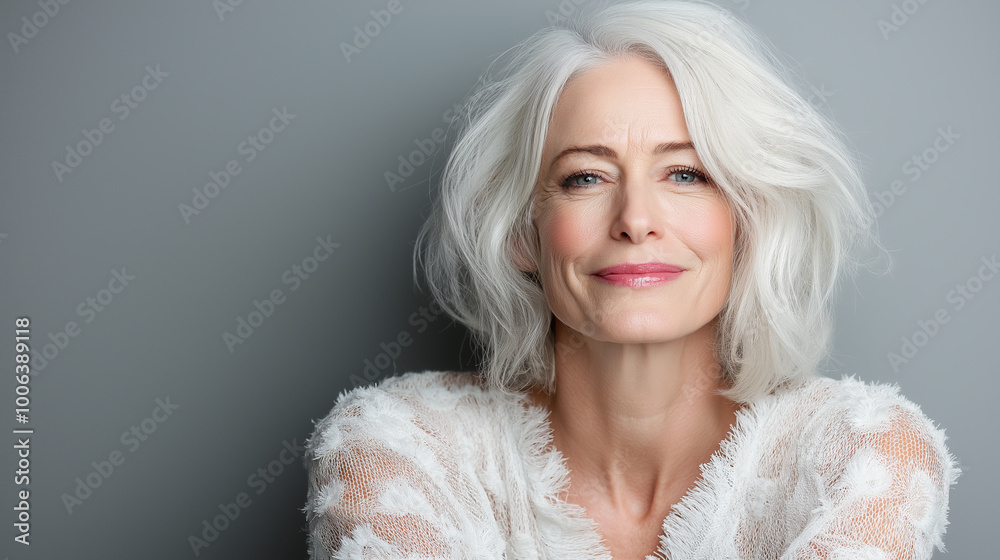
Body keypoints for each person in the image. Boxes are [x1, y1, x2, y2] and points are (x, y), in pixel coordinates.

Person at [303, 1, 960, 558]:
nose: (636, 220)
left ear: (749, 221)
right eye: (585, 177)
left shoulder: (864, 452)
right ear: (520, 233)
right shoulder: (398, 445)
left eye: (686, 174)